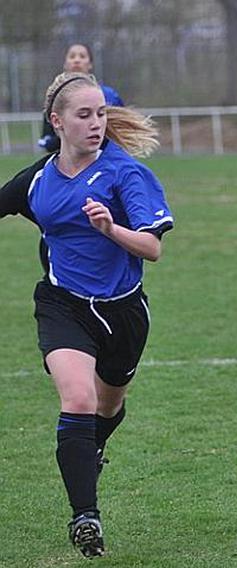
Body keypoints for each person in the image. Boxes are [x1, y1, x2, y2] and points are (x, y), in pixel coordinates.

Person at [1, 71, 173, 557]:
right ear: (57, 122)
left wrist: (110, 227)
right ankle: (86, 516)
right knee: (76, 399)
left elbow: (152, 248)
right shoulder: (38, 178)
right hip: (63, 305)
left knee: (107, 405)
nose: (96, 123)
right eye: (84, 115)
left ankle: (91, 447)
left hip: (123, 312)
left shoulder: (126, 173)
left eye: (100, 113)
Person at [38, 43, 125, 153]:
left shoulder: (109, 95)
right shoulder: (56, 96)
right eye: (72, 56)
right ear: (65, 64)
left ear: (90, 64)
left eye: (82, 56)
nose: (77, 60)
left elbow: (121, 134)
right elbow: (47, 140)